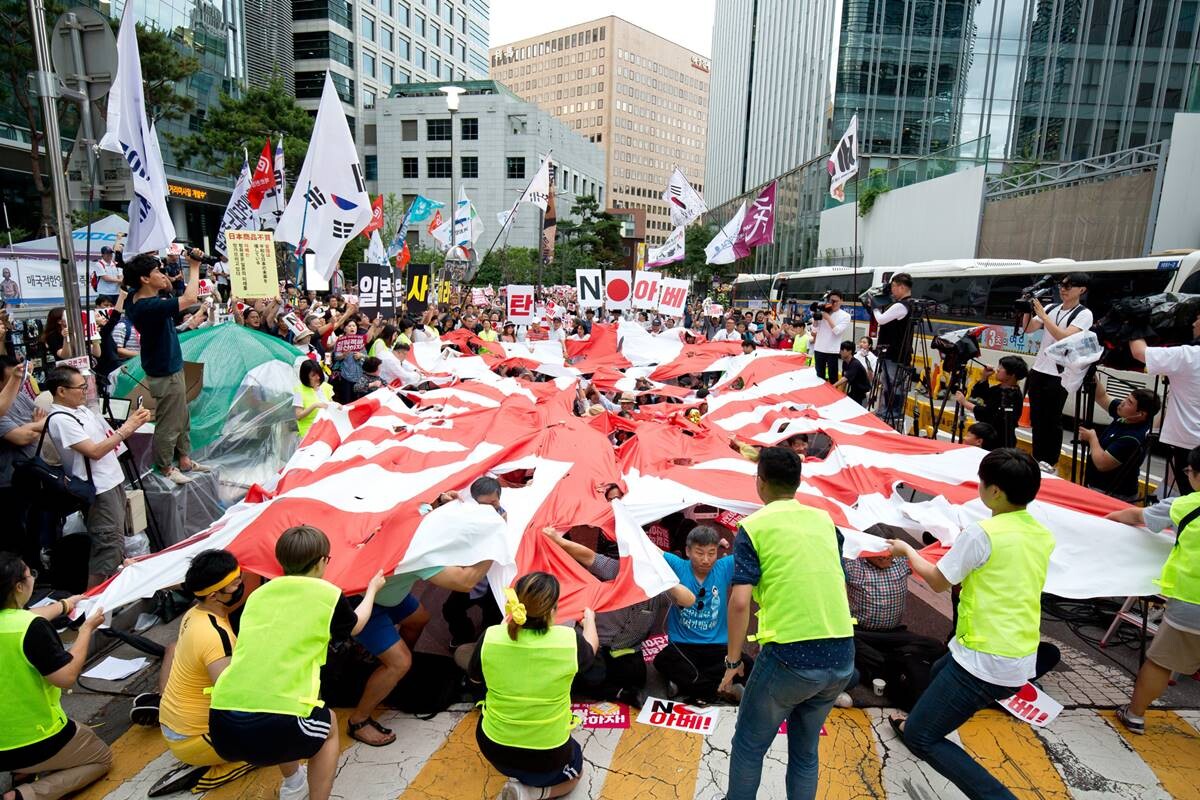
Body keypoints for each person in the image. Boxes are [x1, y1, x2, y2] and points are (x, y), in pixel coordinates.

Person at [887, 448, 1055, 800]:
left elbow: (937, 580)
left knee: (923, 739)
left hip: (983, 659)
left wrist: (907, 550)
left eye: (981, 482)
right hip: (1017, 653)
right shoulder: (1040, 533)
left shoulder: (983, 534)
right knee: (936, 669)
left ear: (994, 491)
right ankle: (915, 720)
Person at [208, 526, 385, 800]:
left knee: (285, 711)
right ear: (322, 561)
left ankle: (294, 784)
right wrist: (372, 589)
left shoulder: (257, 596)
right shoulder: (328, 595)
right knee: (327, 728)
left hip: (221, 721)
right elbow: (355, 625)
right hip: (276, 721)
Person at [719, 447, 855, 800]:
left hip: (789, 658)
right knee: (806, 752)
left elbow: (739, 602)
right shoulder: (826, 521)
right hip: (841, 655)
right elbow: (836, 582)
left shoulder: (753, 527)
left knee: (749, 744)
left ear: (760, 483)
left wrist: (733, 662)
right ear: (798, 482)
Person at [348, 502, 493, 747]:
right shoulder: (422, 554)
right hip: (367, 604)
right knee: (401, 662)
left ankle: (391, 667)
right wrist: (493, 548)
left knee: (419, 619)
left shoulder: (417, 518)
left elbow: (429, 506)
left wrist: (444, 501)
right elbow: (465, 581)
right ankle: (358, 720)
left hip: (392, 594)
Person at [468, 572, 599, 800]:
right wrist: (591, 622)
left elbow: (476, 679)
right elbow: (591, 650)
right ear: (552, 610)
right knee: (576, 773)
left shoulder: (490, 637)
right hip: (547, 754)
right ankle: (530, 792)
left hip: (494, 747)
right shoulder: (569, 641)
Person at [0, 553, 111, 800]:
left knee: (82, 733)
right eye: (31, 575)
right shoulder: (31, 629)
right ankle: (25, 794)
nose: (32, 580)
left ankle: (21, 773)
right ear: (19, 586)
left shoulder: (20, 622)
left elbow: (27, 616)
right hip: (33, 739)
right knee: (100, 756)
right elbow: (66, 676)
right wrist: (86, 630)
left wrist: (65, 604)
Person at [542, 527, 694, 707]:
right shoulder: (617, 571)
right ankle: (619, 693)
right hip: (596, 642)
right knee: (582, 676)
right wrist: (559, 541)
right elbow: (589, 557)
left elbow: (689, 599)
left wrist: (665, 581)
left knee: (636, 676)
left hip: (626, 648)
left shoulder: (660, 589)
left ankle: (616, 689)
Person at [1106, 445, 1200, 735]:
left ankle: (1134, 715)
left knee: (1161, 663)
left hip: (1190, 602)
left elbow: (1137, 517)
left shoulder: (1186, 505)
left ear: (1196, 474)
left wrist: (1109, 519)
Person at [151, 550, 256, 796]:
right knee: (276, 739)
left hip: (174, 725)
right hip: (194, 738)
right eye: (236, 583)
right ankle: (207, 773)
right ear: (214, 595)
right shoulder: (216, 636)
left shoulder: (193, 614)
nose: (242, 584)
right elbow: (232, 695)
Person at [44, 366, 152, 587]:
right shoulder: (60, 419)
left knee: (115, 540)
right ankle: (95, 607)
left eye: (86, 386)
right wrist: (128, 429)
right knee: (106, 548)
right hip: (99, 489)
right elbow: (94, 450)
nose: (85, 391)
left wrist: (129, 423)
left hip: (112, 480)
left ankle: (113, 591)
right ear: (61, 391)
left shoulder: (81, 410)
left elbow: (106, 438)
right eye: (80, 387)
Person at [123, 250, 207, 485]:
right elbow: (190, 299)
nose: (163, 275)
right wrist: (193, 266)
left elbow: (127, 287)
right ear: (144, 279)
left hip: (168, 365)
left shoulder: (134, 298)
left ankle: (184, 459)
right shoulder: (148, 306)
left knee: (182, 415)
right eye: (157, 272)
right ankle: (166, 467)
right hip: (165, 371)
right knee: (169, 421)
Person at [653, 525, 751, 703]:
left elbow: (753, 553)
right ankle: (721, 689)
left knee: (748, 664)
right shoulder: (677, 565)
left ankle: (688, 684)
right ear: (688, 551)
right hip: (683, 645)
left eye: (711, 553)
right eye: (699, 553)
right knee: (662, 661)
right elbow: (649, 550)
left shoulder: (724, 566)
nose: (706, 560)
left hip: (717, 646)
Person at [1021, 272, 1093, 468]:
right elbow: (1028, 329)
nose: (1063, 289)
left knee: (1052, 419)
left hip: (1059, 374)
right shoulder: (1052, 307)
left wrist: (1043, 315)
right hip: (1039, 369)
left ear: (1082, 290)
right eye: (1061, 285)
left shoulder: (1084, 314)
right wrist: (1027, 308)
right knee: (1036, 417)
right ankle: (1037, 457)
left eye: (1069, 286)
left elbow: (1064, 337)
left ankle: (1049, 461)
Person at [1130, 307, 1200, 495]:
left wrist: (1134, 324)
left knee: (1190, 495)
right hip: (1189, 439)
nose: (1193, 323)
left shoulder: (1189, 355)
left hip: (1189, 440)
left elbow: (1139, 353)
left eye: (1198, 318)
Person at [443, 477, 506, 648]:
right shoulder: (470, 515)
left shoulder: (504, 516)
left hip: (494, 583)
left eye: (494, 502)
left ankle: (483, 649)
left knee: (493, 620)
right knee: (451, 610)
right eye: (485, 505)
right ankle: (463, 637)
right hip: (472, 580)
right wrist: (443, 501)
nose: (492, 508)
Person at [0, 357, 45, 566]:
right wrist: (37, 426)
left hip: (32, 473)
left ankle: (33, 570)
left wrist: (34, 426)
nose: (17, 384)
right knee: (14, 535)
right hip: (8, 481)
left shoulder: (19, 396)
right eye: (12, 380)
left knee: (34, 527)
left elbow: (42, 419)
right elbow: (21, 437)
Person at [1078, 383, 1158, 498]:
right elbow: (1101, 396)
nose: (1122, 402)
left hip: (1112, 494)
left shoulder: (1132, 439)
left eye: (1129, 402)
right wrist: (1091, 369)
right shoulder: (1126, 415)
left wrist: (1092, 438)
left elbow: (1102, 463)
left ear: (1140, 414)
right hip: (1100, 488)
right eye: (1126, 398)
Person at [868, 272, 915, 426]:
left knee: (892, 384)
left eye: (894, 287)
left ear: (901, 287)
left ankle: (889, 413)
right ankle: (886, 411)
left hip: (894, 352)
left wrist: (875, 306)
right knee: (891, 383)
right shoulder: (909, 303)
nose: (892, 290)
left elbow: (881, 319)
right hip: (900, 351)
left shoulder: (901, 305)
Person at [955, 356, 1028, 449]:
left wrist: (965, 403)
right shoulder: (1000, 388)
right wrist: (984, 377)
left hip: (1000, 441)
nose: (997, 369)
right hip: (990, 436)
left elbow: (988, 413)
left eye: (1001, 367)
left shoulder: (1012, 395)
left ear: (1012, 374)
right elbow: (980, 394)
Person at [812, 291, 851, 383]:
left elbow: (837, 331)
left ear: (841, 301)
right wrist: (816, 318)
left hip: (832, 350)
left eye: (836, 301)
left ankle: (833, 396)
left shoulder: (845, 316)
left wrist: (828, 318)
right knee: (819, 376)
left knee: (833, 376)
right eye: (831, 301)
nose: (834, 303)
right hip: (819, 348)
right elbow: (814, 329)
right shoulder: (823, 311)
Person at [293, 360, 334, 440]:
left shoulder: (325, 386)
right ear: (305, 376)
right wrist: (315, 405)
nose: (318, 377)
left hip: (326, 429)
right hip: (310, 434)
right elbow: (298, 416)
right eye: (313, 375)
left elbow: (331, 404)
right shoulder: (299, 391)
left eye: (318, 373)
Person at [833, 340, 871, 405]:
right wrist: (841, 393)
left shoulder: (855, 363)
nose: (840, 352)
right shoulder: (845, 362)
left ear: (850, 351)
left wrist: (833, 386)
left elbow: (845, 378)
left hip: (862, 392)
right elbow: (844, 380)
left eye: (842, 349)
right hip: (854, 390)